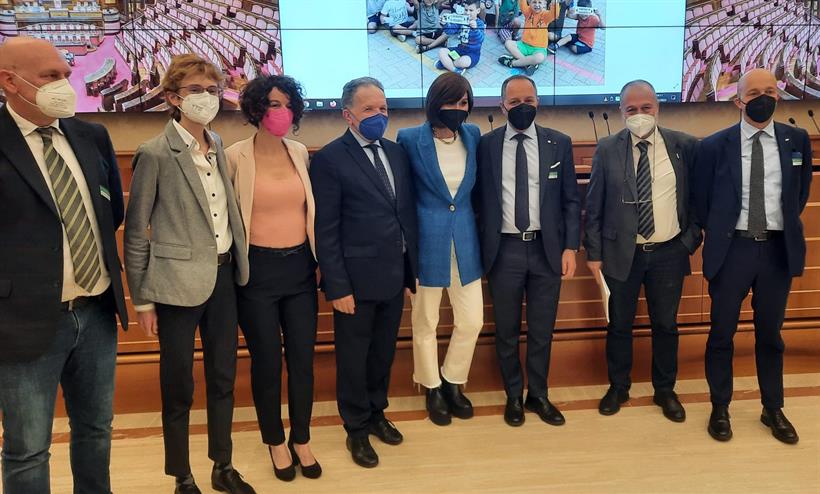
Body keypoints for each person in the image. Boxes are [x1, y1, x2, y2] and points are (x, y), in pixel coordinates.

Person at [0, 36, 127, 494]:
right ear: (9, 81)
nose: (64, 85)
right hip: (24, 321)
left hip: (96, 313)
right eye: (50, 76)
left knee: (96, 430)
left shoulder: (92, 136)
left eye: (65, 75)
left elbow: (112, 212)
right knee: (28, 448)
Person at [124, 54, 254, 494]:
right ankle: (182, 474)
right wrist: (142, 299)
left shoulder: (217, 143)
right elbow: (136, 231)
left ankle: (223, 465)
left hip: (223, 278)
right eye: (196, 90)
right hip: (175, 286)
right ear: (173, 97)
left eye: (212, 90)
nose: (206, 98)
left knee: (223, 378)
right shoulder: (154, 152)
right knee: (178, 384)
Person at [694, 68, 812, 445]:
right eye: (755, 92)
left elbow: (799, 195)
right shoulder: (713, 146)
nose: (764, 98)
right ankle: (720, 407)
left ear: (779, 95)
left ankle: (772, 408)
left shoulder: (797, 140)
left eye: (771, 91)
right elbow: (702, 202)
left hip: (777, 250)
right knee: (721, 333)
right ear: (738, 101)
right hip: (733, 250)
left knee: (771, 335)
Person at [310, 77, 419, 468]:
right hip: (353, 283)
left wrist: (410, 273)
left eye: (383, 108)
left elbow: (403, 214)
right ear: (348, 115)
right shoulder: (329, 159)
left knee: (382, 354)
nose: (379, 115)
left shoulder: (396, 152)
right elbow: (326, 229)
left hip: (393, 276)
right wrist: (337, 285)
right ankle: (355, 427)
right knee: (354, 358)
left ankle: (376, 413)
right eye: (369, 109)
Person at [584, 80, 701, 423]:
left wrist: (689, 242)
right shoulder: (607, 148)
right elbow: (593, 206)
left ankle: (665, 390)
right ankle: (618, 387)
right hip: (621, 253)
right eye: (631, 109)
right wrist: (594, 254)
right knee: (619, 325)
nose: (639, 114)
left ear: (657, 108)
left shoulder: (684, 145)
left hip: (669, 252)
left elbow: (698, 199)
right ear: (621, 112)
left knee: (665, 325)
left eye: (645, 108)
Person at [225, 75, 322, 481]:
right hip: (257, 273)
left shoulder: (299, 152)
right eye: (273, 104)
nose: (281, 112)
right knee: (266, 362)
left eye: (287, 104)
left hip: (300, 269)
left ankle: (302, 437)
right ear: (255, 110)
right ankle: (275, 441)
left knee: (302, 360)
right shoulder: (234, 156)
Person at [475, 75, 580, 427]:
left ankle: (538, 394)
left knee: (541, 330)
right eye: (515, 102)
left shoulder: (558, 142)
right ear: (502, 106)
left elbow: (570, 200)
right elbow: (478, 200)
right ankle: (513, 396)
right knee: (506, 331)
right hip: (503, 251)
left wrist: (570, 246)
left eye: (529, 101)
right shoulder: (486, 145)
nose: (523, 107)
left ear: (538, 103)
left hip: (546, 250)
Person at [397, 73, 484, 426]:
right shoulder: (409, 139)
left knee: (472, 320)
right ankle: (431, 386)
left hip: (465, 242)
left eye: (464, 103)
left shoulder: (473, 135)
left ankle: (452, 379)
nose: (458, 108)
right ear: (435, 102)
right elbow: (403, 198)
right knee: (425, 321)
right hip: (426, 243)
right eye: (451, 101)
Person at [498, 0, 557, 75]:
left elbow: (554, 14)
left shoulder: (545, 15)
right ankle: (528, 64)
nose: (537, 5)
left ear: (544, 4)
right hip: (524, 45)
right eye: (534, 2)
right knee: (508, 43)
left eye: (540, 2)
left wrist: (555, 4)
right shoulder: (528, 12)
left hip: (538, 49)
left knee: (540, 58)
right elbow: (522, 3)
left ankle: (513, 63)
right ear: (529, 3)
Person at [437, 0, 486, 73]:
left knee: (463, 62)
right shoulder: (462, 20)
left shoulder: (480, 23)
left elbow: (481, 39)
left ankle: (446, 64)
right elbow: (450, 31)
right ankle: (455, 70)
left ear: (478, 11)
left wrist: (475, 29)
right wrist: (444, 24)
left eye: (471, 10)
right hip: (460, 49)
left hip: (473, 54)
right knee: (442, 51)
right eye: (466, 10)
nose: (468, 13)